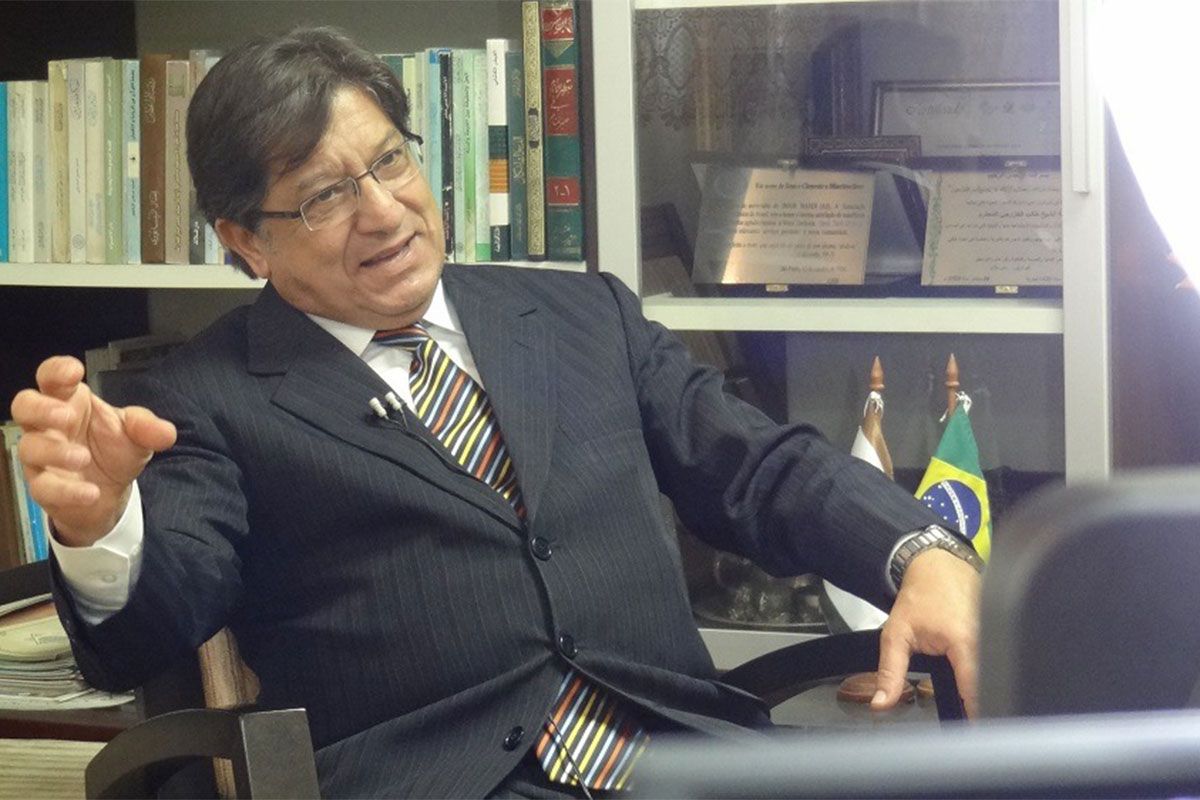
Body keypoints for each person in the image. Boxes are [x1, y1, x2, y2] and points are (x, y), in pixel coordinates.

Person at [10, 27, 981, 799]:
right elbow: (152, 625)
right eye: (325, 197)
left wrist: (920, 552)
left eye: (390, 161)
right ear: (245, 241)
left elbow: (760, 467)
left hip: (686, 758)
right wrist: (101, 528)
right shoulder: (203, 396)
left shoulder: (584, 314)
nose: (384, 210)